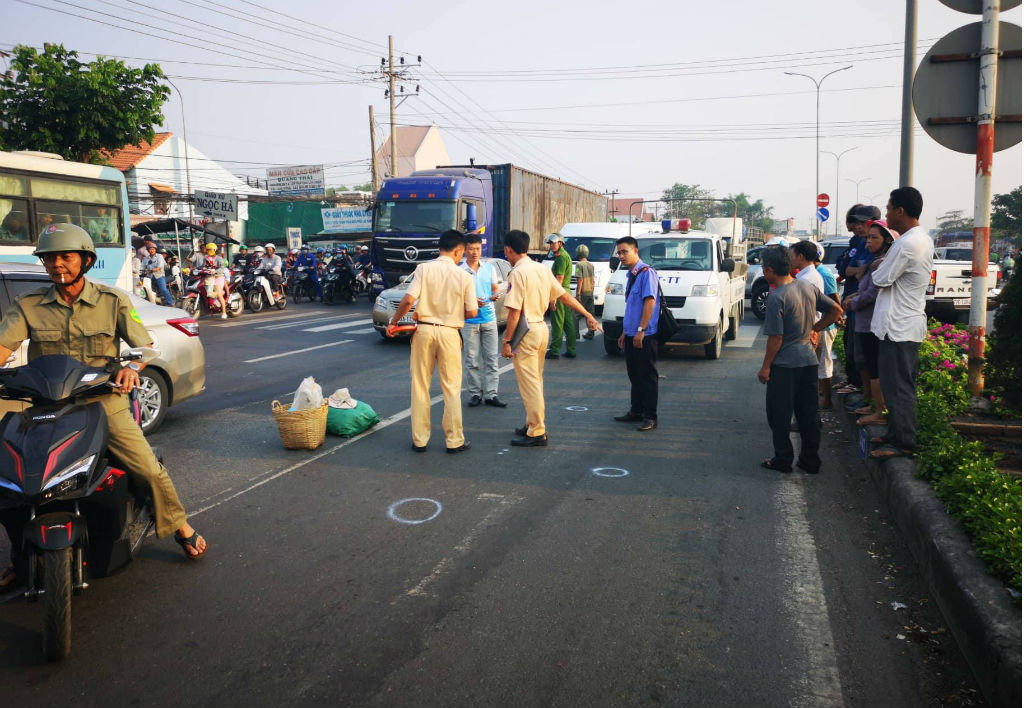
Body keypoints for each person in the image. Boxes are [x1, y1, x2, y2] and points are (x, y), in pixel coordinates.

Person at [0, 223, 208, 587]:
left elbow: (144, 346)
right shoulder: (28, 305)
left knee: (147, 468)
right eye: (50, 259)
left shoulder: (113, 301)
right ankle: (20, 554)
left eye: (65, 257)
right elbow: (3, 346)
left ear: (85, 260)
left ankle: (179, 525)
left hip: (102, 402)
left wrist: (130, 367)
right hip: (46, 407)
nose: (57, 265)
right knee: (13, 481)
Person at [501, 230, 602, 447]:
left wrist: (507, 341)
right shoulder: (541, 269)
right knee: (535, 381)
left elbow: (514, 312)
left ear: (508, 249)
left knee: (530, 385)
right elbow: (564, 295)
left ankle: (537, 432)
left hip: (525, 332)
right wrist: (587, 315)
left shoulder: (518, 273)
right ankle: (531, 423)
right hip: (540, 329)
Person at [386, 230, 477, 453]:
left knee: (420, 387)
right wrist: (454, 313)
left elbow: (409, 300)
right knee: (452, 389)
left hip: (424, 331)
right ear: (458, 251)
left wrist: (394, 322)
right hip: (449, 333)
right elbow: (473, 312)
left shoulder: (424, 269)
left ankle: (420, 440)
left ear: (439, 248)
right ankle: (454, 441)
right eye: (462, 253)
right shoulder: (465, 276)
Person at [757, 246, 842, 474]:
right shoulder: (807, 287)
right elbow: (836, 310)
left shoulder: (776, 297)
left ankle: (783, 459)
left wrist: (765, 368)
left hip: (785, 365)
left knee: (779, 414)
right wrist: (815, 329)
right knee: (808, 414)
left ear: (769, 270)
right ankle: (810, 460)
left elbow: (776, 339)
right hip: (808, 360)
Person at [869, 187, 932, 459]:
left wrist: (878, 269)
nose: (886, 213)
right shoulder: (913, 239)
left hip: (900, 327)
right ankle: (895, 434)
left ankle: (904, 441)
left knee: (900, 388)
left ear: (901, 211)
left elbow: (880, 278)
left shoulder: (908, 243)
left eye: (888, 208)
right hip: (897, 326)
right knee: (893, 386)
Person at [844, 220, 897, 426]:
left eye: (874, 238)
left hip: (871, 322)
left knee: (874, 367)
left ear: (886, 241)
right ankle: (872, 403)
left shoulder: (880, 263)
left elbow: (873, 293)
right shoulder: (873, 262)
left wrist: (854, 302)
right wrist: (854, 296)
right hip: (864, 321)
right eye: (868, 238)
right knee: (865, 364)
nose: (869, 242)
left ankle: (879, 410)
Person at [611, 236, 661, 432]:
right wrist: (625, 332)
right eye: (619, 252)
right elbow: (632, 307)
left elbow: (649, 302)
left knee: (647, 376)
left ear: (636, 251)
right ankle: (636, 410)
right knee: (634, 375)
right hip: (631, 333)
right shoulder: (632, 274)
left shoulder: (647, 273)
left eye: (625, 252)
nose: (621, 256)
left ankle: (650, 416)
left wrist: (641, 330)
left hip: (644, 334)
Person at [833, 205, 879, 404]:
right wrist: (855, 269)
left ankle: (869, 399)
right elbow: (846, 268)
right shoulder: (859, 243)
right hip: (854, 307)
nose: (859, 228)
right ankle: (858, 386)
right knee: (853, 350)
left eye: (863, 223)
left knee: (866, 358)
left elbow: (865, 275)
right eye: (857, 223)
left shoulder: (878, 253)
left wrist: (857, 269)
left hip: (865, 310)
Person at [790, 240, 837, 411]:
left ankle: (817, 409)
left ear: (800, 256)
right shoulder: (808, 275)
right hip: (811, 328)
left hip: (810, 329)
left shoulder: (807, 278)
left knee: (816, 371)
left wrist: (814, 330)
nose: (790, 259)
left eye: (792, 255)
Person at [460, 234, 505, 408]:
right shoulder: (460, 270)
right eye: (471, 249)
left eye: (477, 249)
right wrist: (471, 301)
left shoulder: (489, 268)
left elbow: (494, 288)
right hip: (469, 320)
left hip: (489, 318)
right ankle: (475, 393)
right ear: (465, 249)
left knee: (492, 358)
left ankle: (491, 394)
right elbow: (456, 295)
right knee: (472, 360)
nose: (474, 252)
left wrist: (495, 295)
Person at [545, 232, 576, 359]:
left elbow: (559, 279)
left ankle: (554, 351)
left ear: (560, 243)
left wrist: (553, 298)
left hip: (560, 293)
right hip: (565, 293)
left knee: (557, 323)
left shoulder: (561, 258)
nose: (551, 245)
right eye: (550, 243)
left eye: (553, 243)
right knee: (568, 323)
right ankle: (571, 349)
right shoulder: (563, 256)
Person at [192, 242, 228, 318]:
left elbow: (222, 268)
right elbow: (203, 266)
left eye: (210, 250)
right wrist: (195, 269)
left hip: (218, 277)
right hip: (209, 277)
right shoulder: (205, 257)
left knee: (218, 294)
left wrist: (215, 271)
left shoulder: (219, 258)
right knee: (208, 292)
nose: (208, 251)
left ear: (215, 250)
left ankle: (224, 312)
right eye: (207, 250)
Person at [573, 244, 597, 340]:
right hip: (590, 292)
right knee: (590, 313)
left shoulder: (579, 265)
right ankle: (591, 332)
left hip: (583, 292)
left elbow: (580, 280)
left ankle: (575, 334)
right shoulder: (591, 265)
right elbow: (593, 280)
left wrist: (578, 293)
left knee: (575, 314)